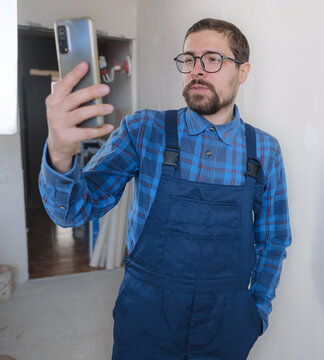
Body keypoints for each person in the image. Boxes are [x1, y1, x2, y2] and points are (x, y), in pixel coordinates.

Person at [39, 18, 291, 360]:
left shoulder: (264, 151)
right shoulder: (145, 130)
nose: (197, 70)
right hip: (146, 317)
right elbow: (72, 211)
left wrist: (255, 313)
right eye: (189, 59)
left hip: (226, 323)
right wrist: (60, 153)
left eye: (213, 59)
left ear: (242, 71)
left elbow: (273, 239)